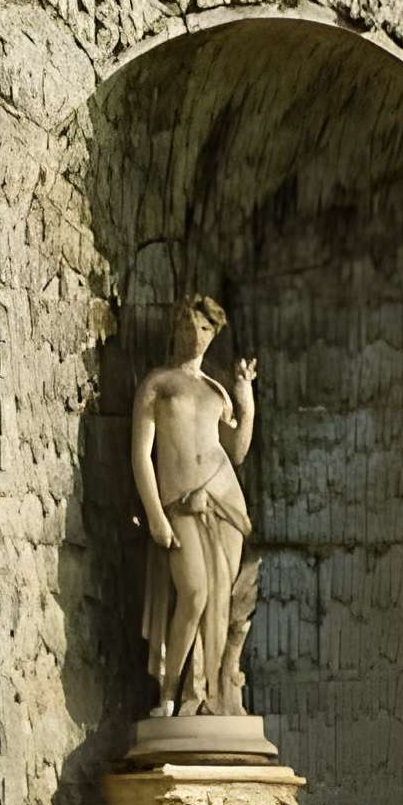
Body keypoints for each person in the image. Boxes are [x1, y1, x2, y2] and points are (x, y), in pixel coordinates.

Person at [128, 296, 258, 716]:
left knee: (220, 601)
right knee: (195, 593)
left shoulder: (215, 389)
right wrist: (154, 514)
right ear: (176, 329)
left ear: (213, 335)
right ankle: (168, 694)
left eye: (204, 329)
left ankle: (209, 699)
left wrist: (246, 399)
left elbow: (236, 452)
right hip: (181, 504)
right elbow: (140, 455)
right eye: (187, 326)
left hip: (225, 500)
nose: (194, 336)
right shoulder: (158, 384)